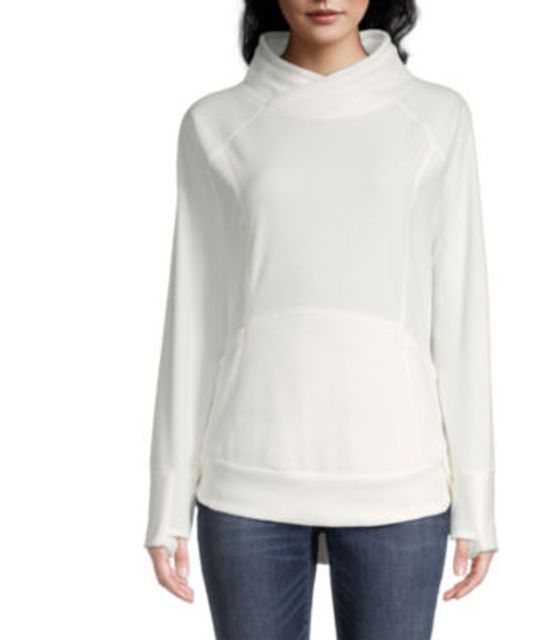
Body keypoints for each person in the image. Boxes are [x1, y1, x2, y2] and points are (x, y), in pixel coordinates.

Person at [144, 1, 498, 637]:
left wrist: (477, 493)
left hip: (397, 480)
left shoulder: (437, 118)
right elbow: (193, 317)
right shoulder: (216, 123)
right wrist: (168, 495)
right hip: (247, 480)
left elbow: (461, 315)